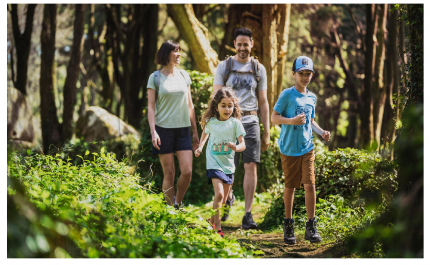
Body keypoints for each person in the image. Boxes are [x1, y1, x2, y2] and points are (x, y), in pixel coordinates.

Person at [212, 27, 269, 229]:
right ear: (234, 45)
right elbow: (216, 98)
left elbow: (263, 102)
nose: (243, 48)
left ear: (252, 44)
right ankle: (227, 199)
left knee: (250, 165)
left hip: (251, 121)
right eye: (239, 44)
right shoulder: (224, 66)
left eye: (247, 44)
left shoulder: (258, 69)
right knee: (228, 166)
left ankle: (247, 214)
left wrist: (267, 132)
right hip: (227, 124)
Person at [271, 56, 331, 244]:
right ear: (293, 74)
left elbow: (311, 121)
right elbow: (274, 118)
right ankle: (288, 224)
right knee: (290, 187)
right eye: (301, 73)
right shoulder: (287, 95)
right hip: (289, 148)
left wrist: (322, 132)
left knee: (310, 185)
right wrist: (291, 121)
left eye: (308, 74)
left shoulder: (312, 97)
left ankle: (311, 225)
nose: (305, 77)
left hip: (307, 147)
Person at [147, 40, 199, 209]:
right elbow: (151, 107)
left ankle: (178, 201)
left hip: (183, 130)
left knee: (187, 172)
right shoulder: (155, 78)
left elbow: (190, 105)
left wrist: (195, 132)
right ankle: (170, 211)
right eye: (175, 51)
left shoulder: (184, 76)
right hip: (163, 130)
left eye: (179, 51)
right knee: (169, 173)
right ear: (166, 54)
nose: (178, 55)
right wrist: (153, 132)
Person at [194, 87, 246, 238]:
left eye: (230, 105)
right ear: (216, 106)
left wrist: (236, 147)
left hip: (228, 165)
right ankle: (217, 228)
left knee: (223, 201)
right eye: (223, 105)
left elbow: (243, 144)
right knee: (219, 194)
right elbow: (205, 132)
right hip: (214, 163)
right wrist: (201, 147)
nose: (227, 109)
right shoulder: (211, 122)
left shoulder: (235, 124)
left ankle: (212, 220)